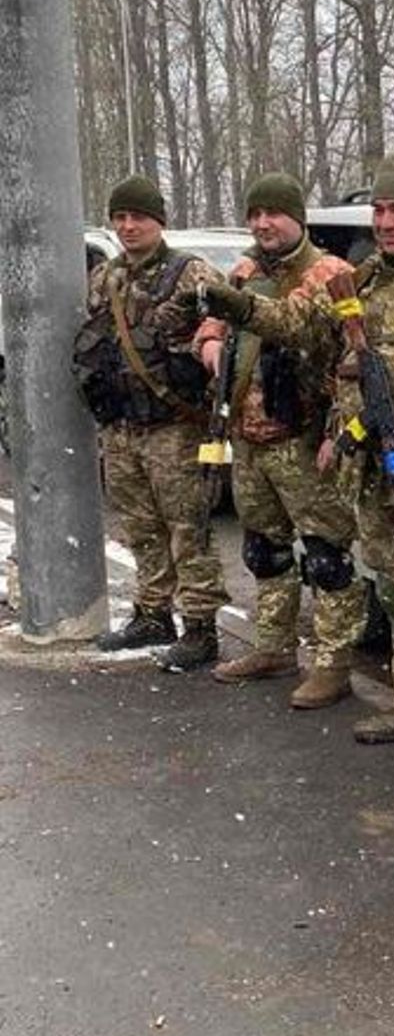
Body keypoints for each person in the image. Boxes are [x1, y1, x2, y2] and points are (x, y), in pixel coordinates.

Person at [202, 151, 394, 779]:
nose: (387, 222)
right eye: (380, 210)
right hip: (378, 468)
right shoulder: (365, 279)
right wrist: (242, 309)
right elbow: (305, 328)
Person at [194, 173, 367, 709]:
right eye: (255, 214)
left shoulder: (330, 274)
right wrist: (210, 344)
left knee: (327, 557)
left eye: (273, 213)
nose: (263, 224)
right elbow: (213, 324)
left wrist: (338, 432)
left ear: (298, 218)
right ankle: (273, 647)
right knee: (263, 550)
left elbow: (353, 358)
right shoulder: (245, 271)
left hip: (303, 440)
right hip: (249, 439)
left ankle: (334, 665)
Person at [72, 175, 229, 670]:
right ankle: (153, 613)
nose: (128, 226)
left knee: (188, 528)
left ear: (158, 221)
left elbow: (224, 327)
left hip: (174, 427)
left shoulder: (190, 273)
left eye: (138, 217)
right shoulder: (106, 277)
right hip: (122, 426)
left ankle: (200, 626)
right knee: (141, 526)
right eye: (120, 217)